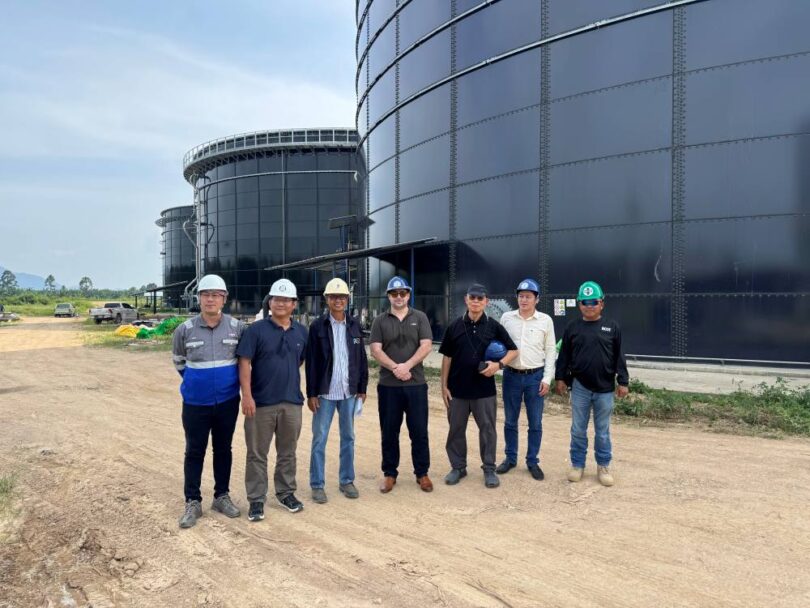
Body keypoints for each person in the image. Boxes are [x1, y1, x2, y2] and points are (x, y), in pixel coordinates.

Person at [172, 274, 244, 529]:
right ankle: (193, 501)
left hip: (226, 402)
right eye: (206, 294)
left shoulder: (237, 328)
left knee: (223, 450)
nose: (210, 299)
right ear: (199, 298)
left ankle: (221, 496)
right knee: (194, 451)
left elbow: (244, 362)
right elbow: (179, 362)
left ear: (224, 299)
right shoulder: (185, 330)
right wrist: (196, 382)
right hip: (195, 403)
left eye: (216, 294)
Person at [237, 278, 308, 521]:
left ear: (294, 304)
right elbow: (244, 362)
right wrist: (247, 396)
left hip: (292, 402)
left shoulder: (301, 332)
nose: (281, 303)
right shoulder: (255, 330)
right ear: (270, 302)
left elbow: (299, 360)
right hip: (261, 403)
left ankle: (286, 492)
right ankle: (256, 499)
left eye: (286, 299)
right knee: (257, 453)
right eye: (276, 299)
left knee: (288, 451)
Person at [439, 284, 517, 488]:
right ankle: (458, 467)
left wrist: (498, 365)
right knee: (456, 429)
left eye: (480, 298)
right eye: (472, 298)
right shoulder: (454, 326)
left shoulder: (494, 326)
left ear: (486, 302)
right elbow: (447, 357)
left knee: (488, 430)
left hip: (484, 391)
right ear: (466, 300)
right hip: (457, 390)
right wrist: (444, 386)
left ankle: (489, 468)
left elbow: (513, 351)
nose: (475, 301)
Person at [555, 280, 629, 487]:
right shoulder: (572, 327)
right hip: (580, 387)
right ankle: (578, 465)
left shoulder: (612, 327)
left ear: (602, 303)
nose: (589, 306)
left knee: (602, 431)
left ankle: (603, 466)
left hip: (605, 389)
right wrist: (560, 378)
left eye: (594, 302)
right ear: (579, 304)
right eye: (585, 302)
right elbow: (564, 356)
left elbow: (619, 357)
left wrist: (623, 381)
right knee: (578, 429)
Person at [305, 278, 368, 503]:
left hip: (348, 392)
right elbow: (311, 362)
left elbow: (361, 359)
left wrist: (362, 387)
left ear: (347, 300)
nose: (338, 300)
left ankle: (346, 480)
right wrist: (311, 393)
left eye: (342, 297)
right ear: (327, 299)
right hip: (325, 393)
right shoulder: (317, 327)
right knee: (319, 438)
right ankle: (317, 484)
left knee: (348, 437)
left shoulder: (354, 325)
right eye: (333, 297)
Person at [369, 276, 435, 493]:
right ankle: (390, 474)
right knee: (389, 431)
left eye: (402, 293)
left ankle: (422, 473)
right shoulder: (380, 320)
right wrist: (395, 368)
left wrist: (407, 365)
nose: (399, 297)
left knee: (419, 431)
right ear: (389, 296)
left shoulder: (421, 317)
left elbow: (426, 346)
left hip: (416, 384)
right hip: (389, 385)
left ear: (408, 295)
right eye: (394, 293)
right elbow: (376, 349)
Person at [497, 279, 556, 480]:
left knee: (535, 423)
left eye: (528, 297)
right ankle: (510, 458)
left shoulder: (545, 320)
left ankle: (532, 461)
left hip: (535, 377)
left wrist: (547, 378)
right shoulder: (506, 318)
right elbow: (498, 343)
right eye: (521, 296)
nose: (524, 300)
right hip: (511, 376)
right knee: (510, 421)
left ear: (536, 299)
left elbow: (550, 351)